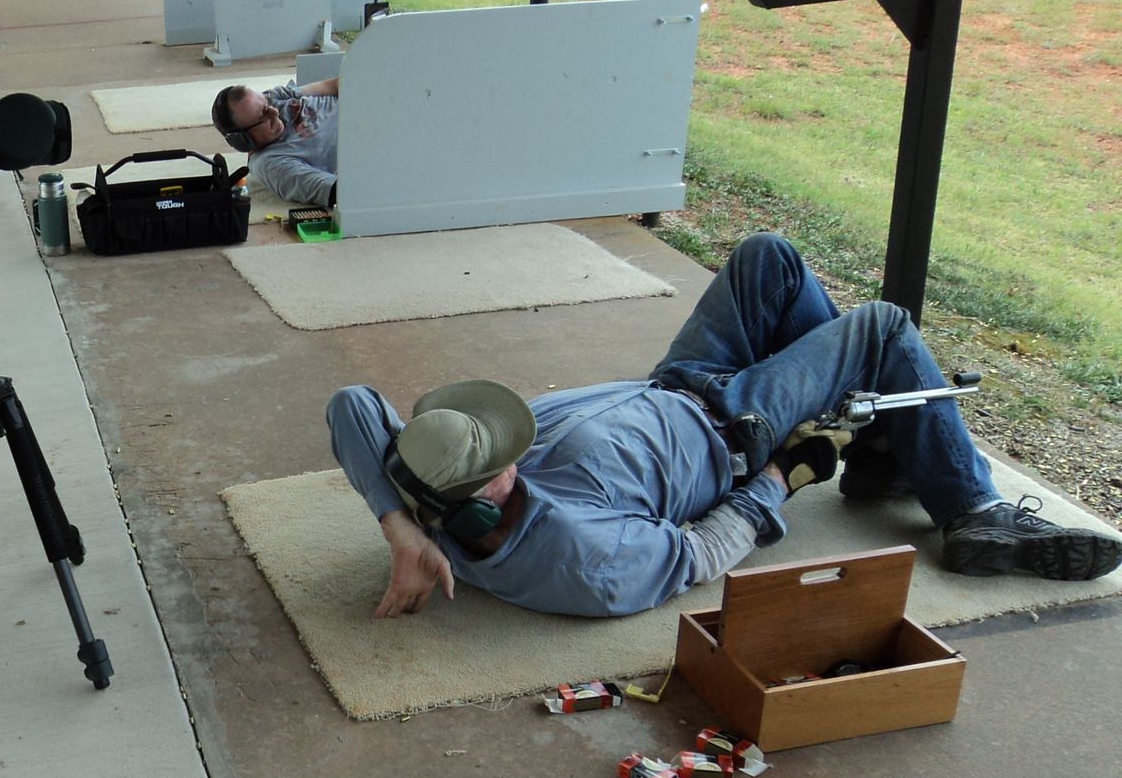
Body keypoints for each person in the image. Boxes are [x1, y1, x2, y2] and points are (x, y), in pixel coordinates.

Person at [327, 231, 1120, 620]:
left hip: (677, 382)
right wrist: (785, 474)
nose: (512, 441)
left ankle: (887, 446)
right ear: (480, 501)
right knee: (880, 328)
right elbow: (701, 551)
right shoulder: (583, 559)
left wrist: (397, 525)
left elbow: (351, 403)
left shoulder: (423, 482)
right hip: (732, 427)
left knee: (767, 257)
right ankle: (971, 513)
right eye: (503, 455)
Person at [211, 75, 339, 207]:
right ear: (244, 140)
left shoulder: (271, 98)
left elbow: (335, 84)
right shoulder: (270, 164)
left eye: (266, 103)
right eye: (263, 116)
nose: (275, 111)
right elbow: (338, 191)